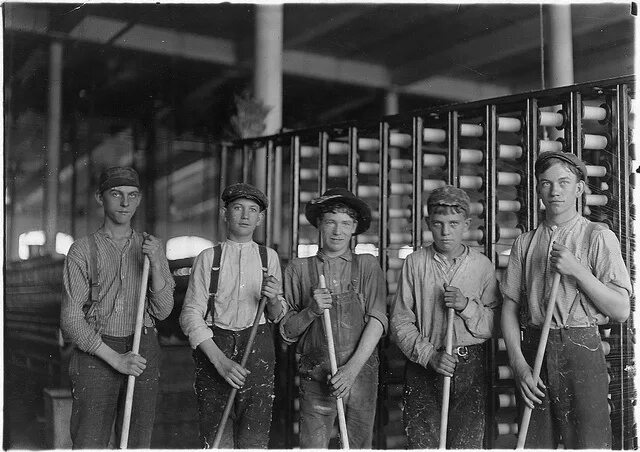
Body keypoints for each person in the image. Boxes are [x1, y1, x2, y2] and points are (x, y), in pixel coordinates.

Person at [500, 151, 631, 448]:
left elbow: (621, 310)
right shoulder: (525, 242)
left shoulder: (597, 236)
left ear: (580, 188)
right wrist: (520, 367)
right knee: (535, 444)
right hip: (534, 352)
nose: (555, 191)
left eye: (564, 182)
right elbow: (508, 309)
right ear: (537, 189)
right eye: (546, 183)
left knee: (588, 445)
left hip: (582, 349)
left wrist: (578, 272)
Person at [60, 166, 175, 448]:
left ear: (139, 199)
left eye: (132, 195)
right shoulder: (82, 250)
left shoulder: (151, 247)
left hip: (142, 347)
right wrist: (115, 359)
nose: (125, 203)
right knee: (90, 441)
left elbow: (163, 311)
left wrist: (158, 262)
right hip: (97, 351)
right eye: (116, 194)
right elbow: (71, 319)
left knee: (137, 441)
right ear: (100, 198)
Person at [390, 185, 500, 449]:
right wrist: (429, 356)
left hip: (469, 366)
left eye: (453, 223)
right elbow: (400, 322)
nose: (445, 231)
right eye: (438, 223)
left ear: (467, 224)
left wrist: (465, 306)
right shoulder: (415, 263)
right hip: (424, 364)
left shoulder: (482, 266)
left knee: (467, 443)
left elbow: (493, 325)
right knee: (423, 443)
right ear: (428, 223)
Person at [179, 182, 287, 448]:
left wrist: (273, 298)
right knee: (217, 440)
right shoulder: (207, 257)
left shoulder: (268, 257)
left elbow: (276, 314)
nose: (245, 215)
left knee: (254, 438)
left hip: (258, 349)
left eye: (252, 210)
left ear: (260, 218)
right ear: (224, 213)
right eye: (237, 208)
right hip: (216, 348)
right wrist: (220, 361)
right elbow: (191, 314)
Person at [280, 188, 387, 448]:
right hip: (317, 376)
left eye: (345, 224)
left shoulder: (367, 266)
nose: (337, 232)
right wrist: (311, 310)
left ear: (354, 229)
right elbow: (287, 332)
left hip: (359, 373)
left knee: (358, 447)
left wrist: (351, 371)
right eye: (330, 222)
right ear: (319, 224)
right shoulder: (298, 269)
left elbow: (378, 320)